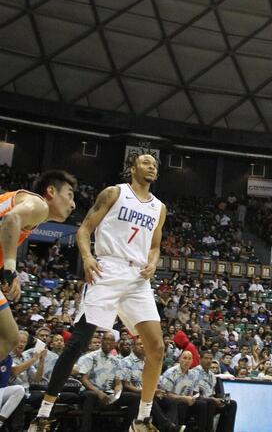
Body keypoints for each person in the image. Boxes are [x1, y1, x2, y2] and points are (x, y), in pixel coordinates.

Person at [30, 153, 168, 432]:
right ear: (132, 168)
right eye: (145, 162)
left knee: (157, 348)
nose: (152, 166)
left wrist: (153, 262)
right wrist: (88, 258)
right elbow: (85, 230)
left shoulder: (159, 208)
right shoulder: (115, 193)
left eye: (155, 164)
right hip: (108, 269)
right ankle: (43, 414)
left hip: (138, 277)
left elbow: (155, 245)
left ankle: (142, 420)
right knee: (78, 343)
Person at [0, 171, 77, 361]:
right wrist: (10, 269)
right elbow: (11, 219)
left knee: (10, 336)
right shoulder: (38, 204)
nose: (73, 204)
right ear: (51, 191)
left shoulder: (31, 211)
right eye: (69, 195)